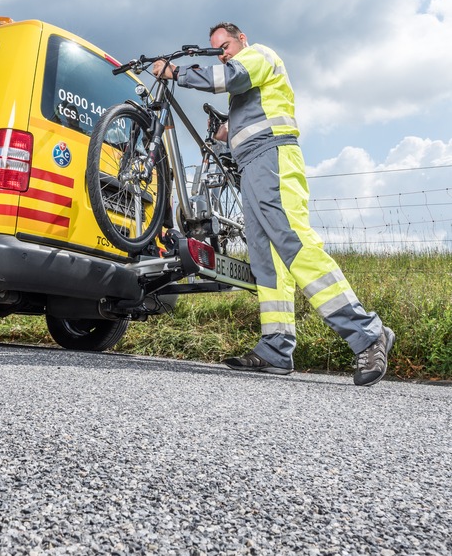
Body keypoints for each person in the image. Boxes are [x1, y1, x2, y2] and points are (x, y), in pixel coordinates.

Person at [152, 22, 395, 387]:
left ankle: (368, 332)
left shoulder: (259, 55)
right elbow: (246, 118)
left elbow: (231, 76)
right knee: (268, 263)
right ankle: (276, 348)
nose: (224, 52)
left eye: (226, 45)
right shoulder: (246, 90)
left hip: (274, 158)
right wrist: (226, 131)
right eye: (218, 50)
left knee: (294, 244)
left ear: (242, 39)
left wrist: (176, 72)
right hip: (252, 164)